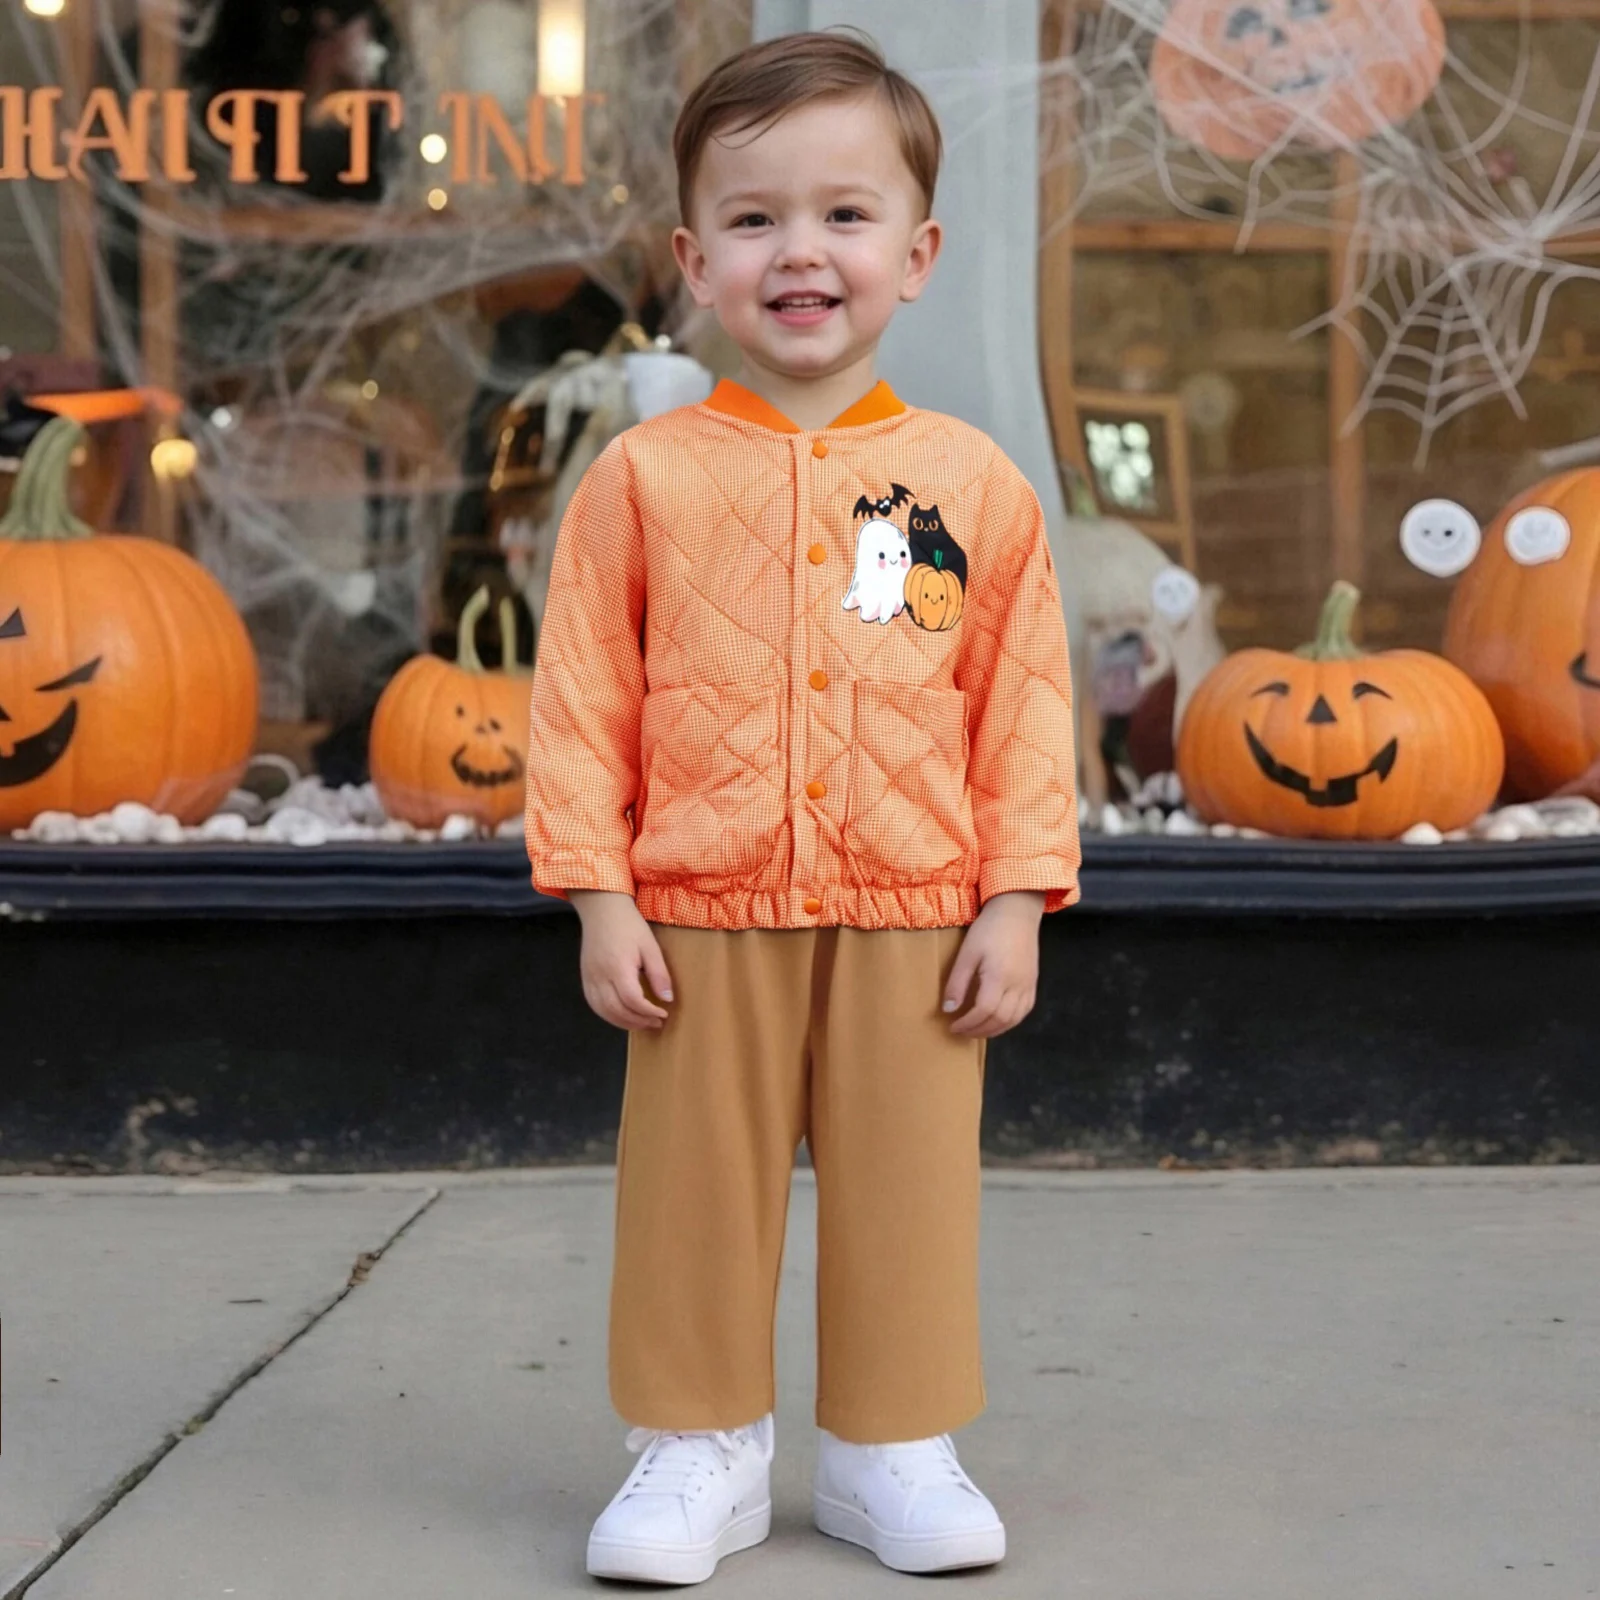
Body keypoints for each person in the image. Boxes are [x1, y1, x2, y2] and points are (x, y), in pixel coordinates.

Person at [523, 28, 1080, 1587]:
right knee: (693, 1187)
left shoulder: (964, 486)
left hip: (917, 901)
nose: (801, 252)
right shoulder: (639, 482)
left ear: (919, 254)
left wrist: (1019, 896)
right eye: (756, 218)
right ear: (695, 261)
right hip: (700, 905)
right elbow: (581, 698)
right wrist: (601, 895)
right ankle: (695, 1443)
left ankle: (891, 1445)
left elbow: (1020, 702)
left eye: (845, 214)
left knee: (912, 1184)